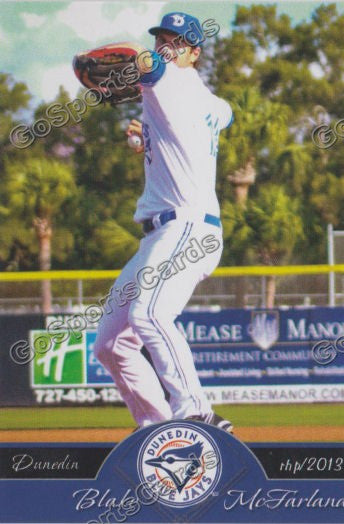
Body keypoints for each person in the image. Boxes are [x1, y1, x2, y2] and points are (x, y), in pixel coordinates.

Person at [94, 12, 234, 432]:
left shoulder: (167, 77)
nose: (164, 47)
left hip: (186, 228)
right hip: (164, 234)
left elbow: (151, 68)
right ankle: (157, 428)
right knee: (110, 345)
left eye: (176, 42)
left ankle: (197, 413)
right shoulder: (212, 103)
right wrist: (148, 139)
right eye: (161, 39)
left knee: (150, 315)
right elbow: (217, 117)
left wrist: (138, 60)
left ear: (194, 53)